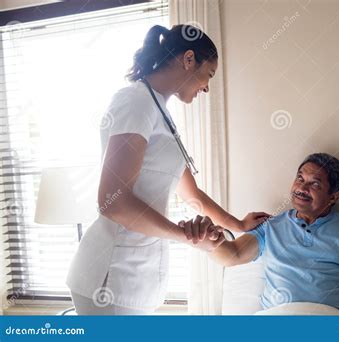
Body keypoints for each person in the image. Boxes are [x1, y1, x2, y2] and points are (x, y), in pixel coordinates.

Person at [66, 24, 269, 315]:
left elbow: (191, 193)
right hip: (108, 276)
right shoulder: (135, 102)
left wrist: (237, 225)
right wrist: (186, 236)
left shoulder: (160, 112)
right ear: (188, 59)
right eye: (209, 74)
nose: (208, 87)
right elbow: (113, 201)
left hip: (139, 273)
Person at [210, 153, 339, 315]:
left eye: (314, 184)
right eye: (300, 179)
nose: (301, 188)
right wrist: (209, 240)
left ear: (334, 196)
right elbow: (232, 254)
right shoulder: (271, 226)